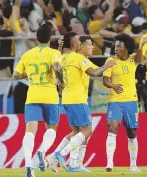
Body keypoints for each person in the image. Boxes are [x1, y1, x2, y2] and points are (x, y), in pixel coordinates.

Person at [46, 32, 116, 172]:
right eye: (78, 40)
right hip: (77, 99)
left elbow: (58, 68)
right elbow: (95, 72)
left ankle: (71, 164)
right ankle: (60, 154)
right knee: (87, 130)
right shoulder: (78, 58)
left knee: (77, 132)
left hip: (67, 99)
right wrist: (108, 65)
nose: (90, 47)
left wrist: (60, 48)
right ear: (75, 44)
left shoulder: (65, 57)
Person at [13, 24, 63, 177]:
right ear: (50, 38)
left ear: (36, 38)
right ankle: (41, 151)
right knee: (52, 129)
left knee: (30, 132)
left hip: (32, 95)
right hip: (50, 96)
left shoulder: (27, 54)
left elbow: (16, 75)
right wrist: (61, 80)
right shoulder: (54, 53)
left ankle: (28, 165)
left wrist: (29, 76)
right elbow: (56, 66)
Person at [103, 33, 140, 172]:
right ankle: (109, 162)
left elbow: (141, 55)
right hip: (115, 101)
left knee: (131, 132)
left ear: (127, 47)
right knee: (112, 128)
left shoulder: (133, 59)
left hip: (131, 101)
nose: (116, 47)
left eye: (119, 45)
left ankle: (133, 164)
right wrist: (112, 86)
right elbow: (105, 81)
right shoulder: (110, 60)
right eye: (115, 45)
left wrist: (142, 44)